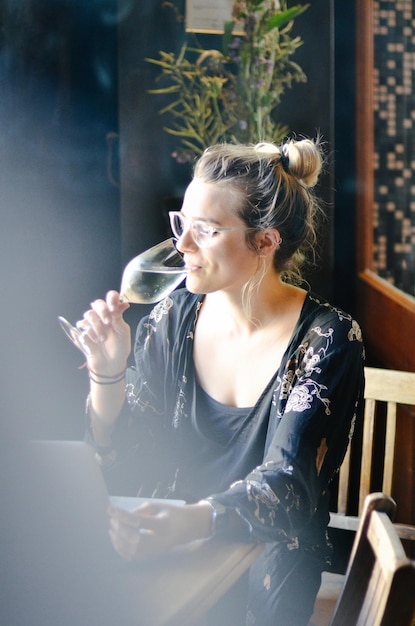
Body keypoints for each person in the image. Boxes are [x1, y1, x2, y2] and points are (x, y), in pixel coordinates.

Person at [79, 137, 365, 626]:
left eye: (205, 231)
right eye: (181, 225)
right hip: (167, 564)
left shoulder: (328, 337)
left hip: (264, 584)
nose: (182, 245)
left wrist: (186, 523)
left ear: (265, 242)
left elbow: (287, 486)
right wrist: (108, 374)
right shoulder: (172, 316)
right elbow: (128, 461)